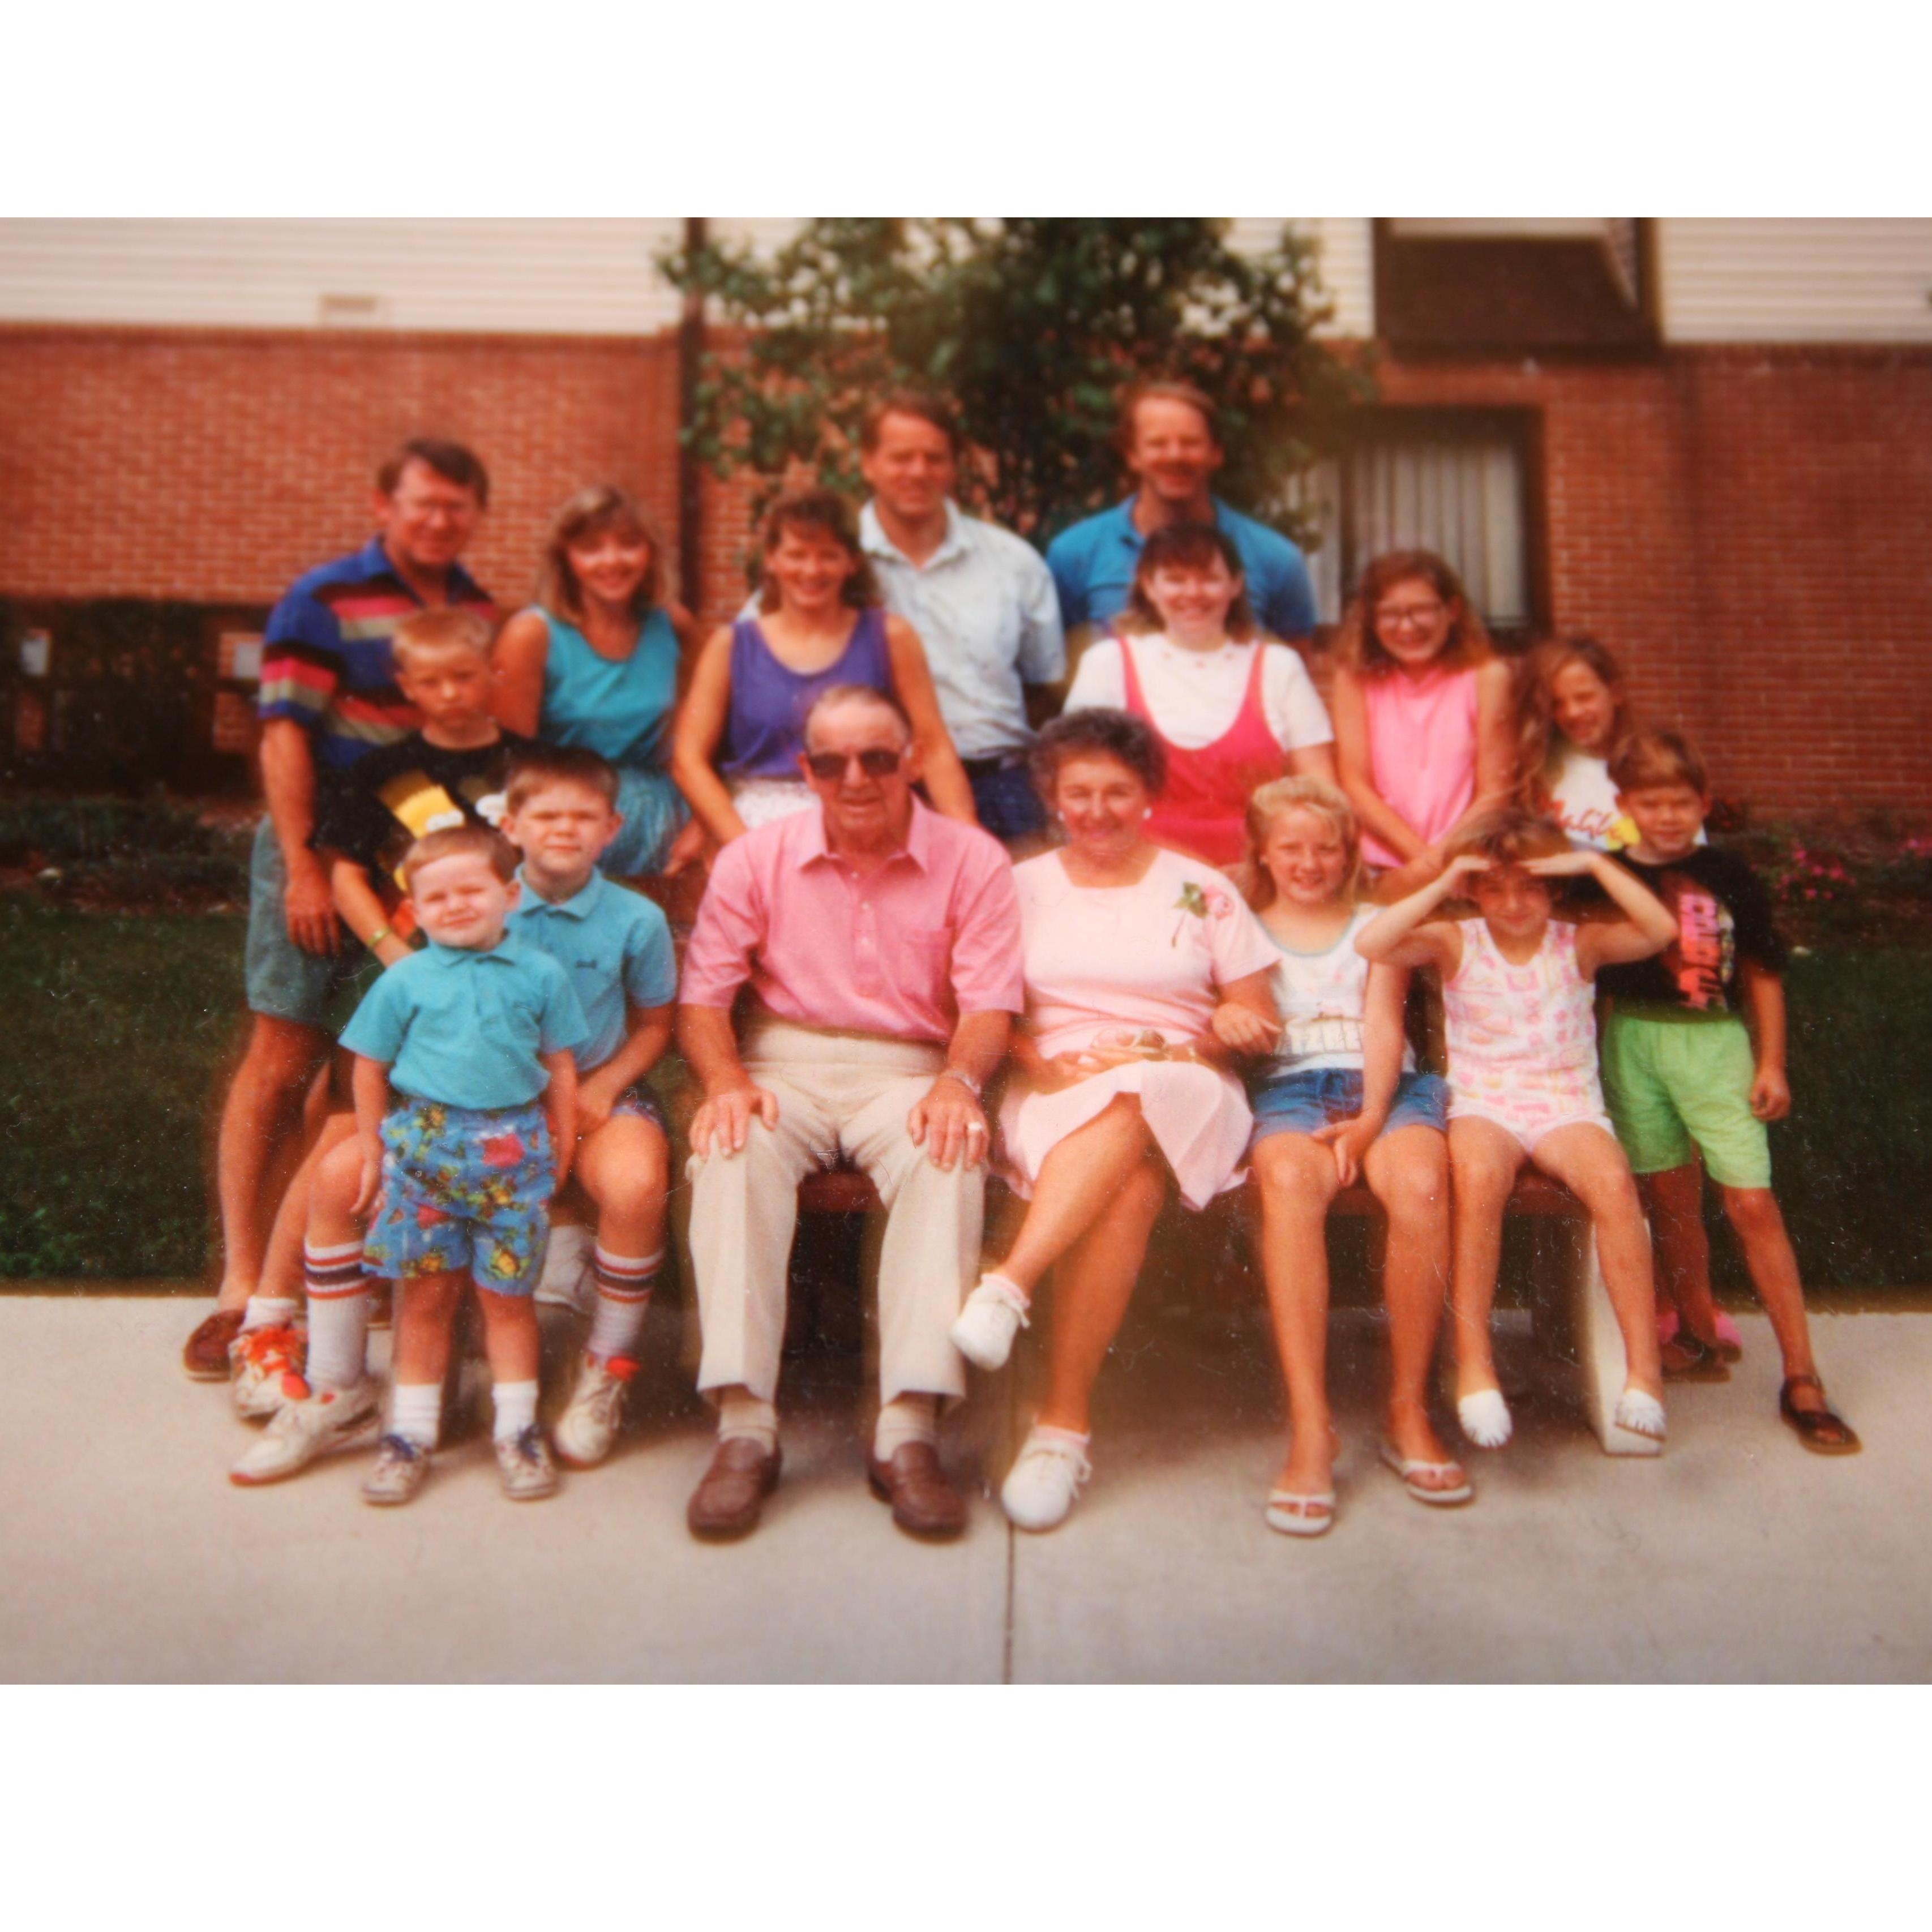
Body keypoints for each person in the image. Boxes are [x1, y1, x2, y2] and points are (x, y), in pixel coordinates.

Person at [676, 684, 1022, 1541]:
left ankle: (907, 1427)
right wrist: (724, 1082)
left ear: (910, 761)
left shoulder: (972, 858)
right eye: (832, 761)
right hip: (780, 1059)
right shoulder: (754, 857)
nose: (857, 776)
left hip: (908, 1065)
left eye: (878, 756)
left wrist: (957, 1085)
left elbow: (986, 1007)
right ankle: (744, 1427)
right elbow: (703, 1000)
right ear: (807, 771)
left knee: (950, 1150)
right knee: (731, 1147)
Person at [186, 438, 493, 1382]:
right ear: (384, 504)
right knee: (282, 1054)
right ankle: (243, 1284)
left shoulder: (472, 610)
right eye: (423, 503)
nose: (439, 520)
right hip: (316, 853)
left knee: (375, 1062)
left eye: (457, 506)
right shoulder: (321, 599)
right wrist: (302, 865)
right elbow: (283, 736)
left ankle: (342, 1260)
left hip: (416, 869)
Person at [947, 710, 1279, 1532]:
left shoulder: (1202, 886)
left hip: (1188, 1078)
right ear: (1052, 796)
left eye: (1117, 792)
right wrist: (1039, 1061)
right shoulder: (1018, 886)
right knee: (1129, 1188)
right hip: (1059, 1083)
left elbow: (1254, 1012)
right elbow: (980, 1007)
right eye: (1079, 792)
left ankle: (1009, 1282)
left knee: (1145, 1088)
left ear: (1148, 795)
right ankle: (1063, 1426)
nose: (1097, 809)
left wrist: (1220, 1031)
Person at [1356, 809, 1677, 1450]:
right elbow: (1373, 943)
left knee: (1614, 1186)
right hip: (1486, 1104)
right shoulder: (1456, 938)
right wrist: (1448, 874)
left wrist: (1593, 863)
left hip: (1565, 1103)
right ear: (1476, 889)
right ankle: (1474, 1364)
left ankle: (1643, 1374)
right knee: (1475, 1177)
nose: (1511, 903)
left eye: (1528, 886)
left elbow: (1659, 928)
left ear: (1552, 888)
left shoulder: (1577, 942)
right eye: (1495, 888)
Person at [1599, 731, 1858, 1453]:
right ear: (1623, 806)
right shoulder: (1608, 873)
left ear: (1701, 802)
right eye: (1649, 803)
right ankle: (1691, 1328)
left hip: (1714, 1044)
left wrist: (1769, 1061)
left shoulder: (1727, 871)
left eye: (1679, 801)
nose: (1666, 816)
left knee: (1748, 1200)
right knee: (1668, 1197)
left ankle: (1801, 1374)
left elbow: (1762, 971)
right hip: (1632, 1044)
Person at [1232, 777, 1463, 1535]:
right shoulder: (1242, 927)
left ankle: (1406, 1407)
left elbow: (1384, 1022)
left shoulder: (1374, 923)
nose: (1309, 861)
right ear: (1263, 852)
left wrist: (1369, 1120)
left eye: (1326, 847)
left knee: (1424, 1184)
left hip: (1381, 1086)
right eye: (1291, 847)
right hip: (1288, 1091)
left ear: (1348, 854)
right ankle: (1310, 1424)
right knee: (1290, 1183)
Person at [340, 825, 586, 1506]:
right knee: (423, 1300)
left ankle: (517, 1429)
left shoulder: (541, 973)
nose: (453, 905)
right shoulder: (406, 979)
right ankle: (408, 1435)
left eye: (471, 890)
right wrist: (370, 1144)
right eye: (435, 897)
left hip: (515, 1159)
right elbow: (369, 1064)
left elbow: (561, 1065)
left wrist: (563, 1140)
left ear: (509, 893)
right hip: (425, 1156)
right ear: (413, 911)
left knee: (508, 1302)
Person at [500, 748, 678, 1466]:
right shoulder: (484, 905)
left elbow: (657, 1025)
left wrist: (601, 1090)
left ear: (612, 828)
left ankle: (607, 1366)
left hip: (606, 1084)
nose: (563, 829)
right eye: (546, 814)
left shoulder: (636, 918)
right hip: (498, 1095)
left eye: (583, 816)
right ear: (511, 825)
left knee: (636, 1181)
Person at [670, 487, 978, 841]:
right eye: (797, 555)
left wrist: (967, 833)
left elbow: (933, 743)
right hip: (760, 827)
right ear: (771, 559)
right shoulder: (731, 645)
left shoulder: (891, 637)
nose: (812, 570)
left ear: (852, 562)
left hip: (870, 814)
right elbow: (688, 759)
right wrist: (741, 847)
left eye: (828, 556)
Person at [856, 392, 1066, 842]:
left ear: (953, 467)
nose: (918, 471)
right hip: (873, 794)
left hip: (1003, 793)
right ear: (867, 462)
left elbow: (1044, 685)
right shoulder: (828, 565)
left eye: (934, 458)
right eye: (901, 457)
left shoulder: (1012, 562)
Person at [1062, 522, 1335, 866]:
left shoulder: (1279, 666)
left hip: (1258, 874)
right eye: (1175, 579)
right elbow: (1082, 788)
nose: (1193, 592)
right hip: (1137, 871)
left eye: (1209, 578)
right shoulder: (1107, 663)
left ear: (1235, 585)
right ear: (1149, 585)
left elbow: (1321, 791)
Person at [491, 485, 704, 881]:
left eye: (629, 544)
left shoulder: (673, 624)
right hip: (565, 818)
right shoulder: (532, 634)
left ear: (651, 553)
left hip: (661, 813)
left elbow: (698, 742)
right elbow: (509, 764)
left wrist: (702, 826)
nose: (612, 561)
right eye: (591, 547)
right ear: (566, 558)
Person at [1045, 380, 1317, 644]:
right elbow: (1057, 677)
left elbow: (1293, 672)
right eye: (1157, 443)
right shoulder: (1074, 554)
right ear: (1132, 456)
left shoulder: (1275, 558)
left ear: (1217, 453)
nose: (1175, 455)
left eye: (1190, 443)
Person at [1329, 550, 1514, 896]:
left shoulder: (1488, 677)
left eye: (1422, 610)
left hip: (1464, 866)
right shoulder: (1353, 679)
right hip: (1378, 871)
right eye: (1391, 614)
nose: (1407, 627)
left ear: (1453, 610)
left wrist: (1441, 861)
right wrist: (1425, 862)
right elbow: (1354, 784)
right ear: (1371, 619)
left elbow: (1496, 791)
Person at [1515, 635, 1642, 853]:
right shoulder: (1538, 773)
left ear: (1616, 694)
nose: (1572, 713)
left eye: (1584, 697)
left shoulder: (1649, 765)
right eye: (1558, 703)